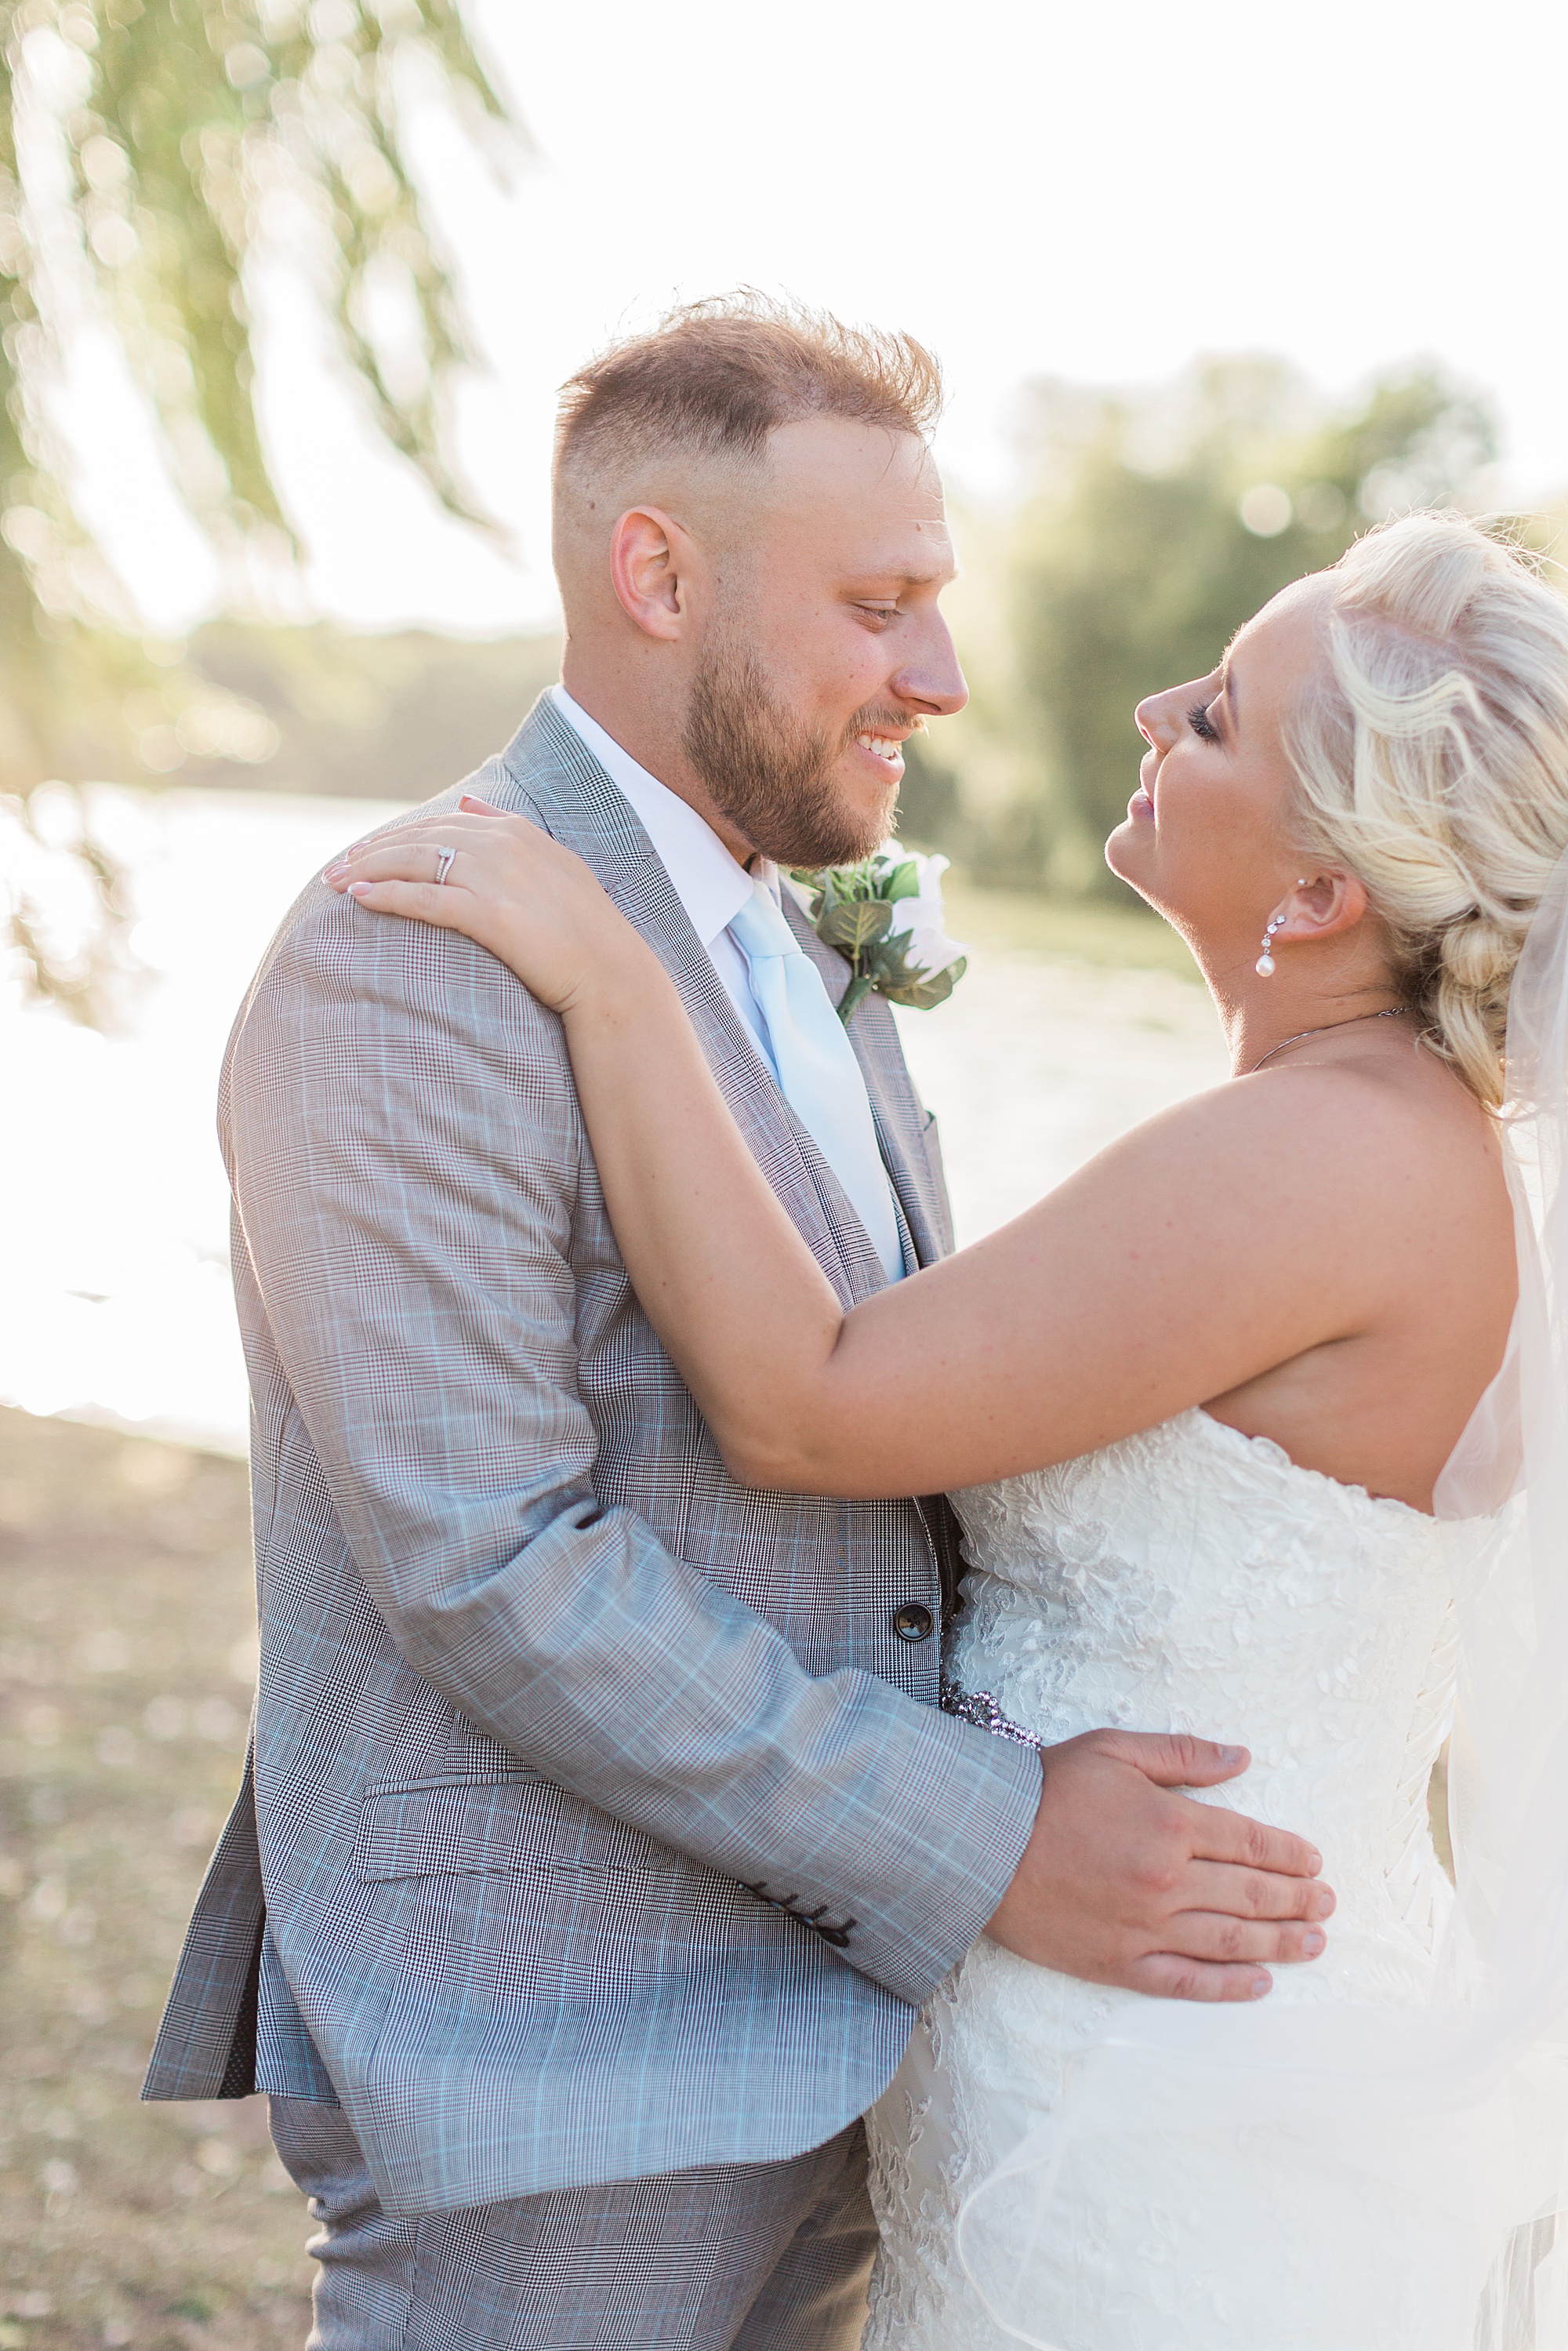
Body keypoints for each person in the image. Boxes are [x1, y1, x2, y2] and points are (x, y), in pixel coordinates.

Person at [141, 295, 1329, 2351]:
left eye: (939, 601)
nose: (940, 676)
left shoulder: (796, 932)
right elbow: (493, 1562)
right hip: (559, 2065)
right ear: (658, 574)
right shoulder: (406, 957)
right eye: (880, 604)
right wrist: (993, 1835)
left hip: (865, 2053)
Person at [328, 508, 1568, 2347]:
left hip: (1165, 2105)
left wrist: (609, 976)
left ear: (1319, 897)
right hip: (1122, 2039)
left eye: (1218, 712)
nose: (1154, 704)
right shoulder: (1376, 1137)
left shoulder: (1321, 1154)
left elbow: (811, 1399)